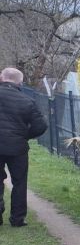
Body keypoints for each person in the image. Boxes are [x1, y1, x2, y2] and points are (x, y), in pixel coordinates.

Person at [0, 66, 48, 227]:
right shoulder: (27, 101)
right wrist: (25, 136)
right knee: (19, 182)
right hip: (17, 147)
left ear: (2, 78)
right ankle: (17, 218)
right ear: (20, 82)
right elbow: (41, 126)